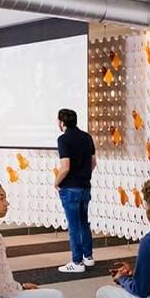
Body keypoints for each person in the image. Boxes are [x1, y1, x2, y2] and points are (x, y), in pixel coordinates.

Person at [54, 107, 96, 274]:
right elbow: (93, 162)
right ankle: (88, 257)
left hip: (70, 188)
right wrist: (83, 176)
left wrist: (56, 183)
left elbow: (65, 167)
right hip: (85, 186)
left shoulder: (63, 139)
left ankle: (77, 262)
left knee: (73, 226)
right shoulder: (87, 137)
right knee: (84, 223)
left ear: (61, 122)